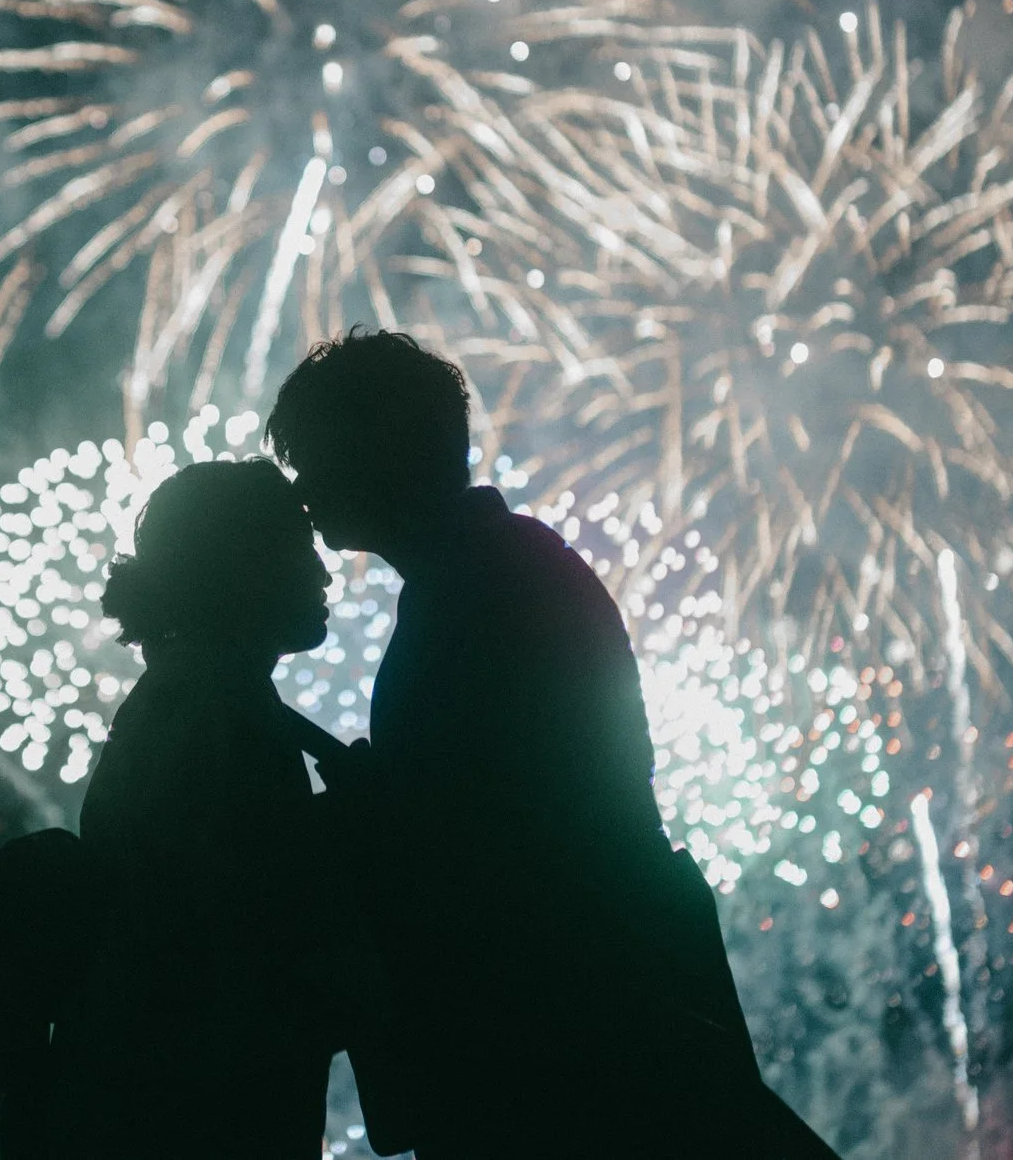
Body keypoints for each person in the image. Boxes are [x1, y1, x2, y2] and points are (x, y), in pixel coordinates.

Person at [268, 328, 841, 1159]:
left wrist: (376, 816)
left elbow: (497, 840)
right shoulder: (494, 573)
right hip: (603, 1011)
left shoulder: (483, 590)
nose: (305, 489)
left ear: (377, 448)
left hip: (573, 1038)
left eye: (314, 457)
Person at [15, 458, 349, 1159]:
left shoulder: (195, 700)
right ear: (240, 568)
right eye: (298, 552)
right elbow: (233, 934)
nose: (322, 576)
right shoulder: (219, 716)